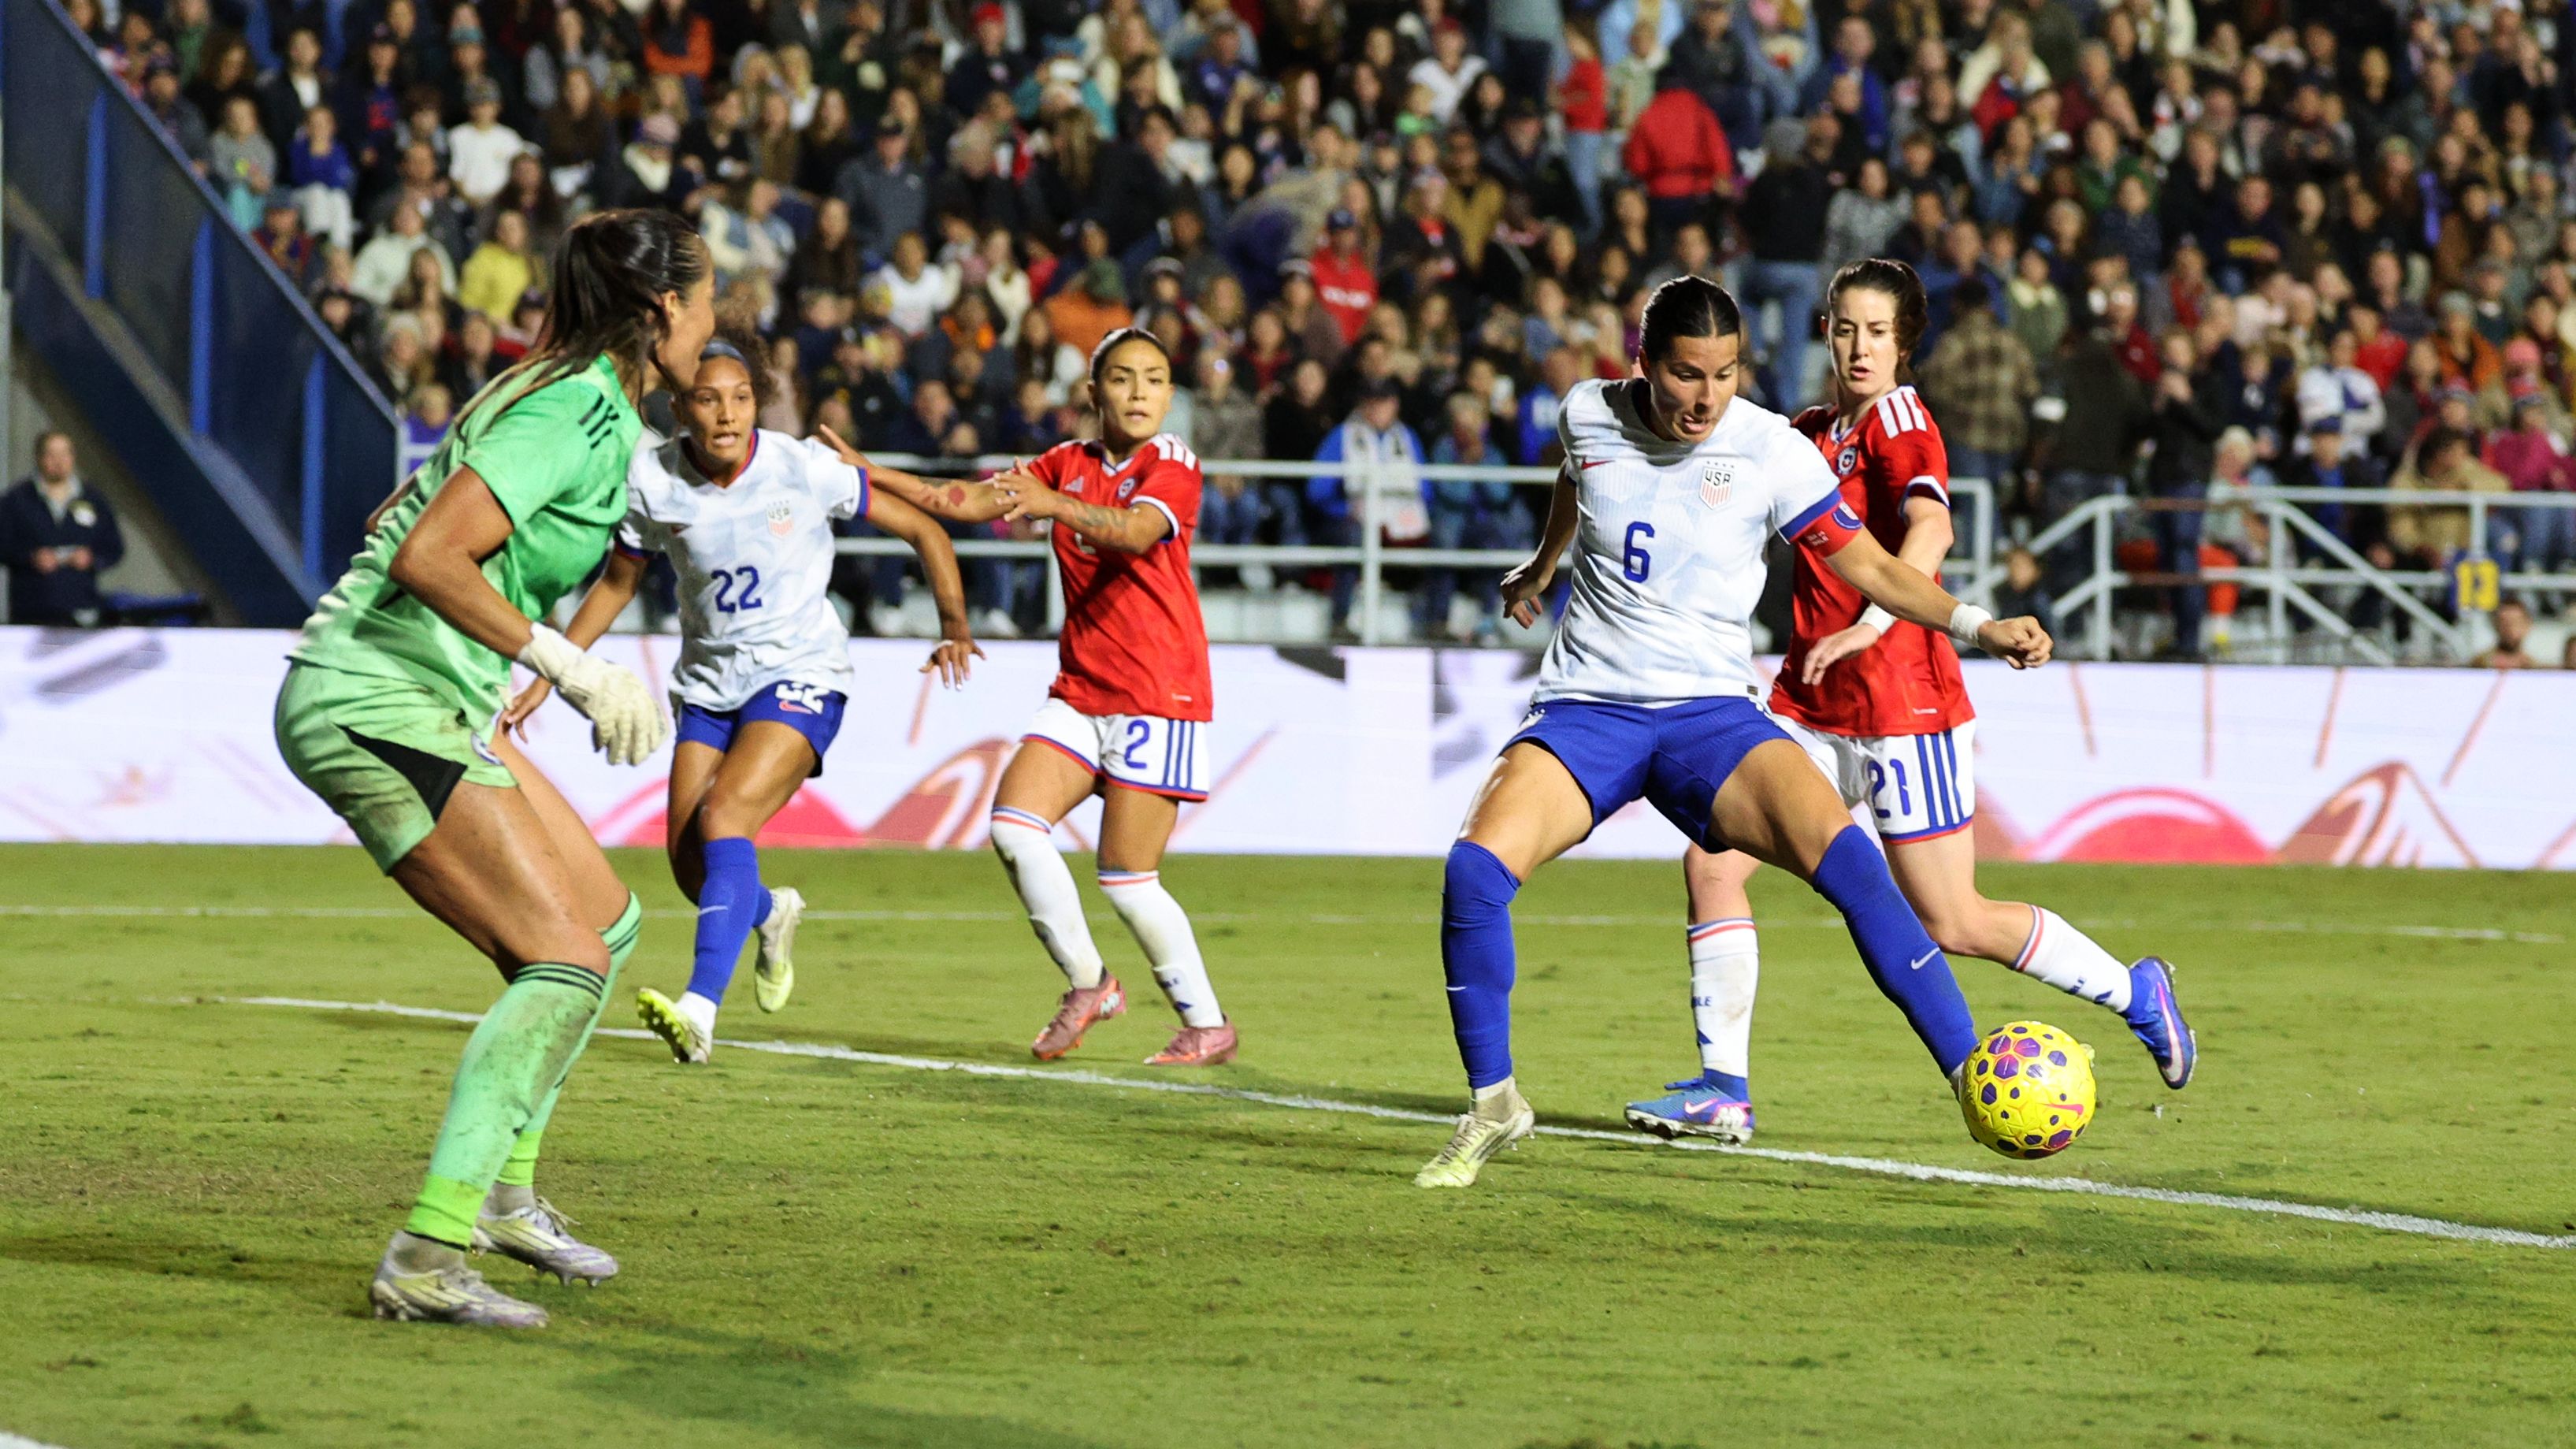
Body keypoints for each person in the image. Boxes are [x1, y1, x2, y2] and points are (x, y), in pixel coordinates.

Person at [1415, 277, 2053, 1190]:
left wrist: (1977, 625)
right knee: (1474, 872)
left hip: (1713, 718)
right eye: (1685, 375)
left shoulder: (1770, 449)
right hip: (1588, 708)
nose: (1706, 397)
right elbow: (1576, 475)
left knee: (1853, 865)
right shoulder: (1587, 413)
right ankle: (1495, 1105)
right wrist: (1545, 563)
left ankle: (1971, 1077)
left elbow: (1871, 561)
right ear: (1644, 364)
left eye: (1724, 373)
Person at [1619, 262, 2195, 1146]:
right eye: (1846, 328)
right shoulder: (1808, 432)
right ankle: (1722, 1091)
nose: (1859, 347)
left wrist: (1879, 619)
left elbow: (1931, 526)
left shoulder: (1901, 419)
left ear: (1904, 343)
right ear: (1825, 331)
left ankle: (2135, 991)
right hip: (1811, 704)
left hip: (1903, 707)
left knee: (1953, 920)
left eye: (1877, 332)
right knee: (1713, 863)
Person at [270, 210, 715, 1328]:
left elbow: (403, 513)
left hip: (427, 691)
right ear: (662, 314)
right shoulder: (571, 405)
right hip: (376, 696)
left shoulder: (570, 397)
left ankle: (508, 1191)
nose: (715, 328)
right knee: (560, 958)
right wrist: (565, 661)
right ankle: (428, 1244)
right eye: (705, 304)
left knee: (605, 924)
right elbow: (425, 551)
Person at [503, 327, 979, 1064]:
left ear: (759, 403)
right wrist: (550, 670)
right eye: (708, 400)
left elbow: (922, 527)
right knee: (694, 869)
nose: (727, 415)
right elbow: (620, 584)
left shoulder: (803, 468)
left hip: (801, 674)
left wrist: (953, 623)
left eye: (742, 398)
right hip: (708, 688)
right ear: (679, 408)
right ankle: (771, 910)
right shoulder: (653, 481)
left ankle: (699, 1010)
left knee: (727, 815)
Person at [826, 329, 1236, 1067]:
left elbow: (1137, 532)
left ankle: (1206, 1023)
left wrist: (1051, 503)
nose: (1140, 393)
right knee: (1014, 826)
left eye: (1154, 379)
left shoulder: (1172, 462)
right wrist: (871, 475)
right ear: (1093, 392)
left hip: (1158, 694)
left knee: (1128, 878)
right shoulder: (1065, 464)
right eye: (1122, 378)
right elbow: (968, 500)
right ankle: (1090, 984)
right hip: (1081, 690)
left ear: (1171, 395)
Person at [0, 433, 125, 627]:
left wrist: (91, 558)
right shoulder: (17, 500)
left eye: (64, 454)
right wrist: (31, 558)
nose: (59, 462)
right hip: (31, 609)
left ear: (73, 457)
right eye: (52, 455)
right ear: (39, 458)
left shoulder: (92, 499)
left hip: (81, 607)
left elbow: (114, 547)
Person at [2474, 600, 2537, 669]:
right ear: (2495, 625)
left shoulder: (2535, 669)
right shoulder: (2479, 665)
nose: (2510, 629)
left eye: (2515, 623)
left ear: (2527, 625)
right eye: (2504, 623)